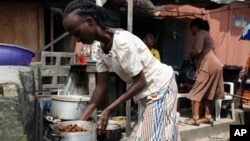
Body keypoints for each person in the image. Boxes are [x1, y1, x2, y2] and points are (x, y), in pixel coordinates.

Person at [62, 0, 180, 140]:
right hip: (147, 93)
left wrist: (108, 109)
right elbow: (101, 86)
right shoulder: (99, 49)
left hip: (160, 87)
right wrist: (80, 122)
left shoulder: (121, 42)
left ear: (89, 21)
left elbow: (140, 81)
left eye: (77, 33)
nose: (77, 40)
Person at [185, 18, 224, 125]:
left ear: (195, 27)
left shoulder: (200, 33)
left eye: (191, 28)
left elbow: (198, 50)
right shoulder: (207, 34)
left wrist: (190, 54)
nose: (191, 31)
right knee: (208, 92)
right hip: (216, 64)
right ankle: (208, 116)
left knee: (196, 90)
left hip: (208, 64)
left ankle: (195, 118)